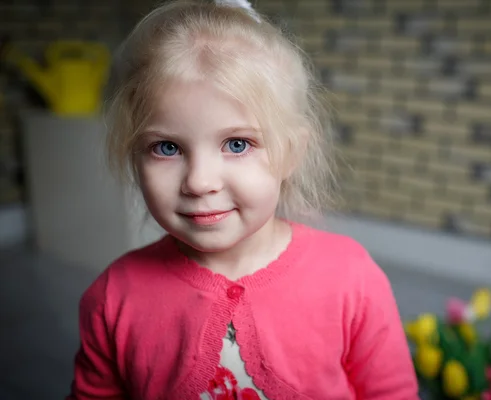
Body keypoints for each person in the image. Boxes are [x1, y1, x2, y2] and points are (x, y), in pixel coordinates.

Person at [67, 0, 419, 399]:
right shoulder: (113, 297)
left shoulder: (351, 276)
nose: (199, 182)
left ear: (292, 152)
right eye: (167, 148)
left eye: (237, 143)